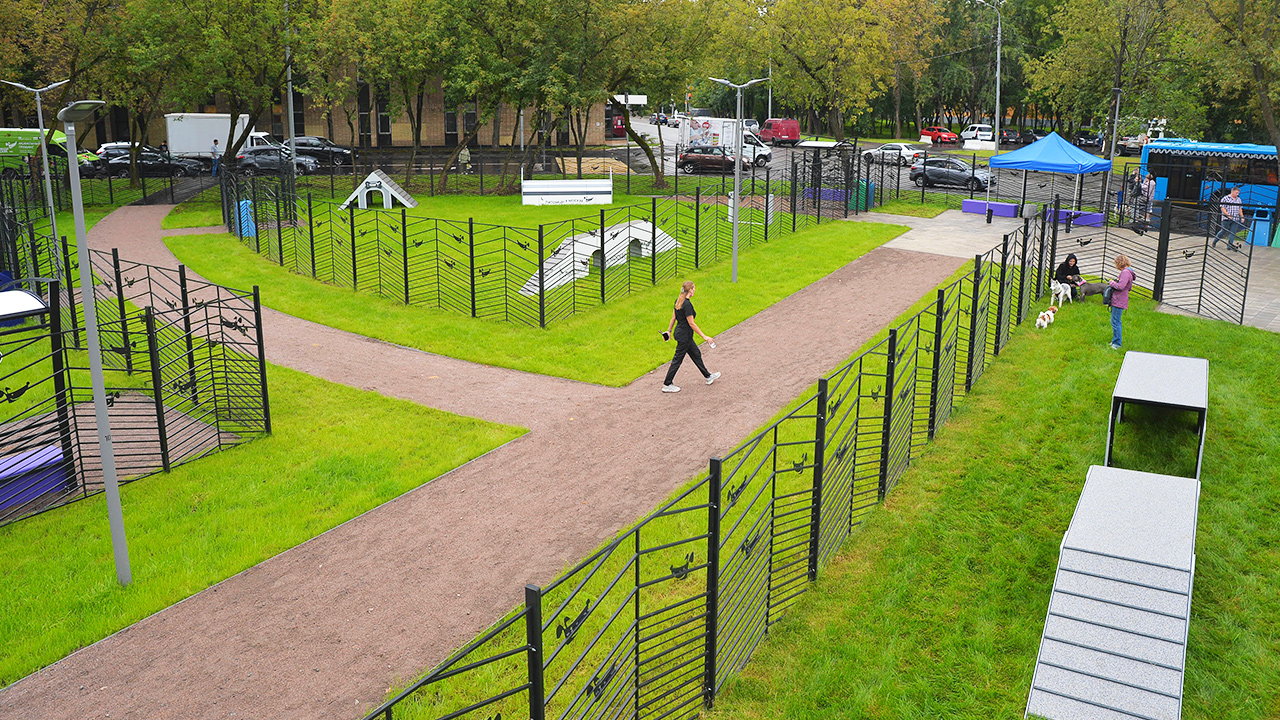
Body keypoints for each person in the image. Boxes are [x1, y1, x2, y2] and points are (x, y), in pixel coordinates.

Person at [661, 280, 719, 393]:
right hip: (684, 336)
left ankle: (708, 376)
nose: (695, 290)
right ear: (691, 290)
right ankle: (667, 384)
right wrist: (705, 337)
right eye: (694, 288)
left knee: (696, 354)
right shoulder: (687, 304)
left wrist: (669, 331)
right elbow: (691, 323)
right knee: (677, 359)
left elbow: (673, 318)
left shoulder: (678, 301)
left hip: (682, 334)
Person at [1107, 254, 1135, 350]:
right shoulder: (1130, 272)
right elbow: (1129, 287)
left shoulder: (1125, 273)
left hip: (1119, 300)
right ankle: (1115, 340)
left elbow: (1121, 286)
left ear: (1119, 263)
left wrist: (1112, 283)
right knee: (1115, 320)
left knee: (1115, 321)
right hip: (1122, 299)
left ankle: (1117, 344)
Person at [1214, 185, 1246, 251]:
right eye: (1236, 193)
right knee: (1223, 231)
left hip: (1235, 218)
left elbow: (1240, 208)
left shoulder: (1238, 199)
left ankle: (1229, 246)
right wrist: (1227, 215)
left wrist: (1242, 217)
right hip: (1226, 219)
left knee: (1233, 232)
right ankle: (1215, 241)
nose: (1237, 194)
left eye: (1238, 193)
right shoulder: (1225, 198)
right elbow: (1223, 208)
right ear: (1232, 192)